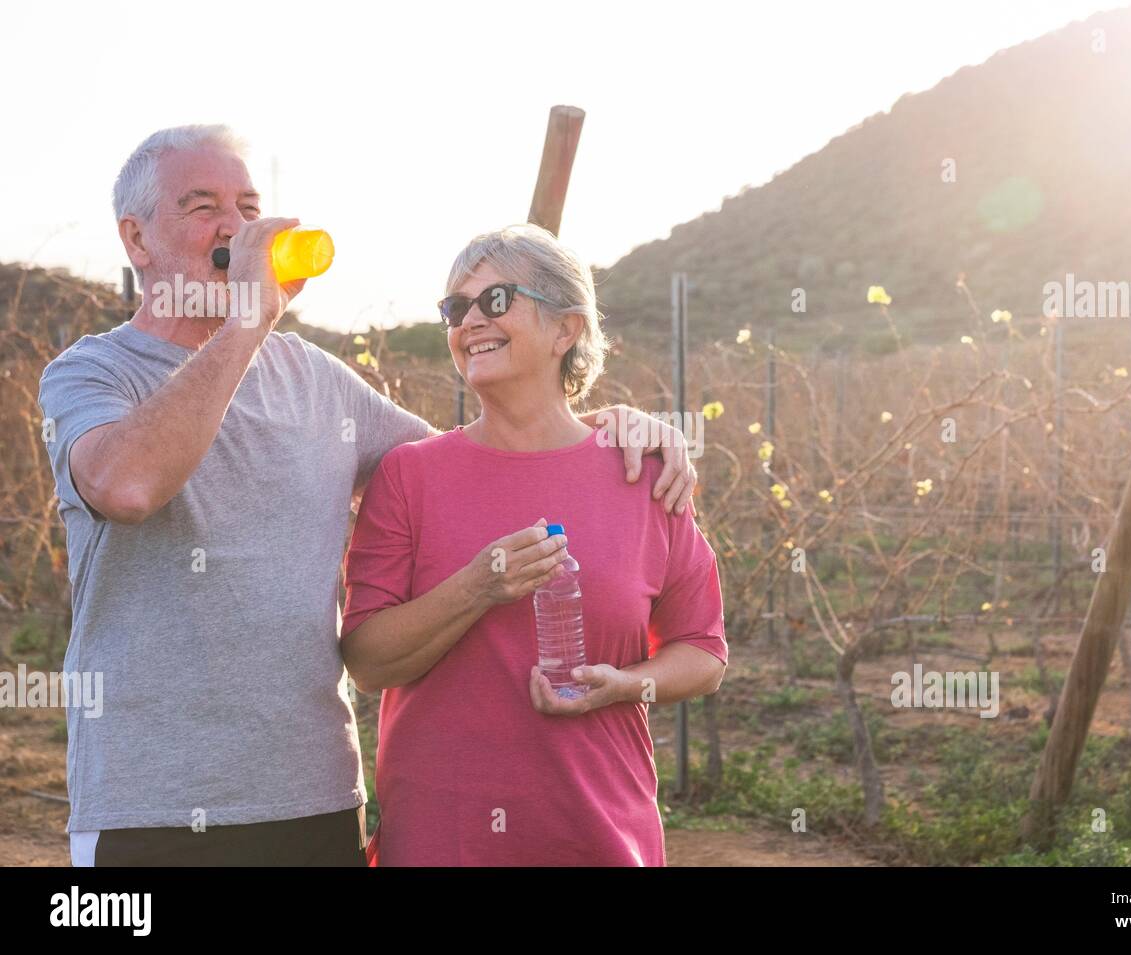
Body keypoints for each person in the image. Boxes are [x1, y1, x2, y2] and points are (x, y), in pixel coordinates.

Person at [37, 125, 698, 866]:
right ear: (137, 239)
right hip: (151, 806)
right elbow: (128, 486)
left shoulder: (317, 381)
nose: (236, 226)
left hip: (315, 799)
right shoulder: (92, 375)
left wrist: (605, 428)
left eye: (248, 204)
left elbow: (482, 462)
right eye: (202, 206)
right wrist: (250, 322)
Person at [341, 224, 727, 866]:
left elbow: (704, 653)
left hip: (598, 838)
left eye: (494, 301)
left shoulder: (642, 473)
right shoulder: (409, 475)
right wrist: (478, 587)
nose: (468, 322)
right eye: (453, 309)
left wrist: (627, 684)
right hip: (444, 840)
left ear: (565, 330)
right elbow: (370, 663)